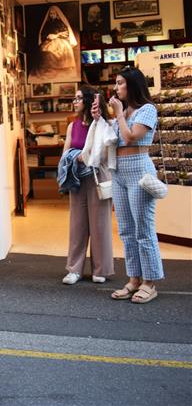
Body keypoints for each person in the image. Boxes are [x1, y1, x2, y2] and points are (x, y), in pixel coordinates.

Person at [94, 66, 163, 304]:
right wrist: (100, 119)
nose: (116, 87)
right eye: (116, 83)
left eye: (121, 83)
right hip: (119, 173)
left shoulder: (147, 109)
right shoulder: (122, 112)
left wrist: (119, 114)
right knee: (125, 230)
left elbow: (132, 136)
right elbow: (112, 141)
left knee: (143, 229)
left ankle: (150, 282)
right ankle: (134, 279)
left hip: (140, 172)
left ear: (133, 85)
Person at [60, 85, 113, 285]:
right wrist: (72, 160)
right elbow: (65, 153)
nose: (74, 102)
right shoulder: (72, 126)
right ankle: (74, 269)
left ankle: (101, 269)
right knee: (77, 224)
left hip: (98, 175)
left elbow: (108, 151)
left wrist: (88, 156)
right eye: (74, 98)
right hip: (77, 178)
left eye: (78, 98)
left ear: (90, 101)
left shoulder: (103, 124)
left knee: (100, 224)